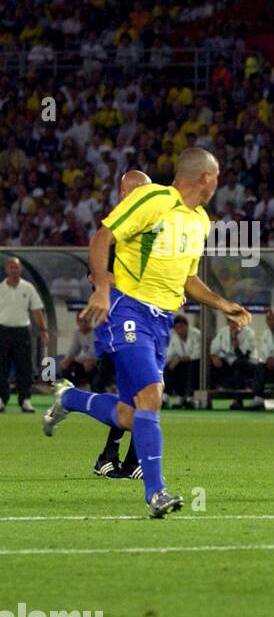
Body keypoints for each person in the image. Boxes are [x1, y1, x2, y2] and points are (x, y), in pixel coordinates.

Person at [44, 147, 251, 517]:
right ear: (205, 178)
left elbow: (189, 280)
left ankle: (69, 398)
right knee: (153, 395)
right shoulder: (153, 198)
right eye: (217, 176)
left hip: (161, 321)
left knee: (129, 414)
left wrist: (224, 305)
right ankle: (156, 493)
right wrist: (103, 289)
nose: (218, 183)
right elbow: (102, 238)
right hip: (128, 308)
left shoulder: (201, 221)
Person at [92, 169, 152, 479]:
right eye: (142, 191)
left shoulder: (146, 226)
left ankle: (127, 460)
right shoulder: (116, 227)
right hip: (119, 317)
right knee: (138, 390)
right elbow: (96, 275)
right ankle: (113, 455)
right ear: (126, 193)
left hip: (143, 317)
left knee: (141, 391)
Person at [0, 256, 47, 413]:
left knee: (24, 367)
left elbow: (36, 310)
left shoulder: (28, 288)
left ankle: (25, 399)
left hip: (22, 332)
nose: (14, 270)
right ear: (6, 269)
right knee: (2, 367)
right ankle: (1, 399)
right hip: (3, 331)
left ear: (21, 269)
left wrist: (43, 330)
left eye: (16, 267)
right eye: (11, 267)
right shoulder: (1, 289)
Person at [209, 316, 258, 405]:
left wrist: (235, 339)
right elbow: (214, 347)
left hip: (247, 362)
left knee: (238, 364)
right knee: (212, 363)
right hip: (230, 361)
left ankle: (238, 399)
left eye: (236, 322)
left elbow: (243, 355)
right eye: (231, 322)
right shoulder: (223, 332)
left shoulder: (249, 333)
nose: (233, 324)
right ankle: (216, 391)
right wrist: (214, 357)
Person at [163, 315, 201, 408]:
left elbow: (197, 354)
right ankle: (166, 397)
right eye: (177, 328)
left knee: (192, 367)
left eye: (181, 327)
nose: (179, 330)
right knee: (168, 368)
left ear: (186, 326)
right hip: (181, 364)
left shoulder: (196, 334)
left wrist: (179, 359)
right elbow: (170, 354)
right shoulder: (173, 336)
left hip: (195, 363)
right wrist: (168, 363)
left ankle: (189, 398)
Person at [59, 317, 98, 386]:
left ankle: (93, 387)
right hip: (85, 359)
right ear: (77, 322)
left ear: (90, 322)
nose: (83, 324)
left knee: (88, 364)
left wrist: (75, 359)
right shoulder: (78, 333)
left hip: (99, 360)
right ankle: (69, 387)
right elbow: (74, 349)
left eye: (85, 321)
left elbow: (92, 353)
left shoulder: (96, 333)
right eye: (81, 321)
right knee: (65, 364)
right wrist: (68, 359)